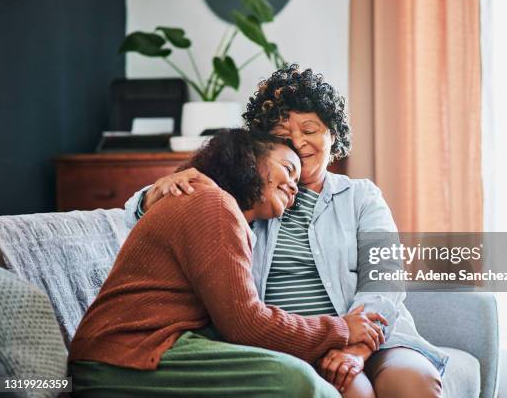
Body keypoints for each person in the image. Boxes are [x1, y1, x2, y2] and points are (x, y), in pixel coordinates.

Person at [127, 65, 448, 398]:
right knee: (354, 390)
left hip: (374, 340)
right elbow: (159, 212)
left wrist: (357, 349)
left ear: (333, 135)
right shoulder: (247, 194)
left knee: (413, 383)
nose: (297, 141)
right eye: (283, 133)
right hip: (293, 341)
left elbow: (385, 278)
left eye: (310, 129)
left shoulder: (361, 196)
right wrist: (155, 192)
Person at [69, 129, 388, 398]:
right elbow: (246, 324)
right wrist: (341, 328)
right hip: (122, 356)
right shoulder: (212, 204)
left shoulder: (225, 212)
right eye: (287, 169)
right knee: (299, 383)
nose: (294, 185)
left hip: (145, 351)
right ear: (250, 160)